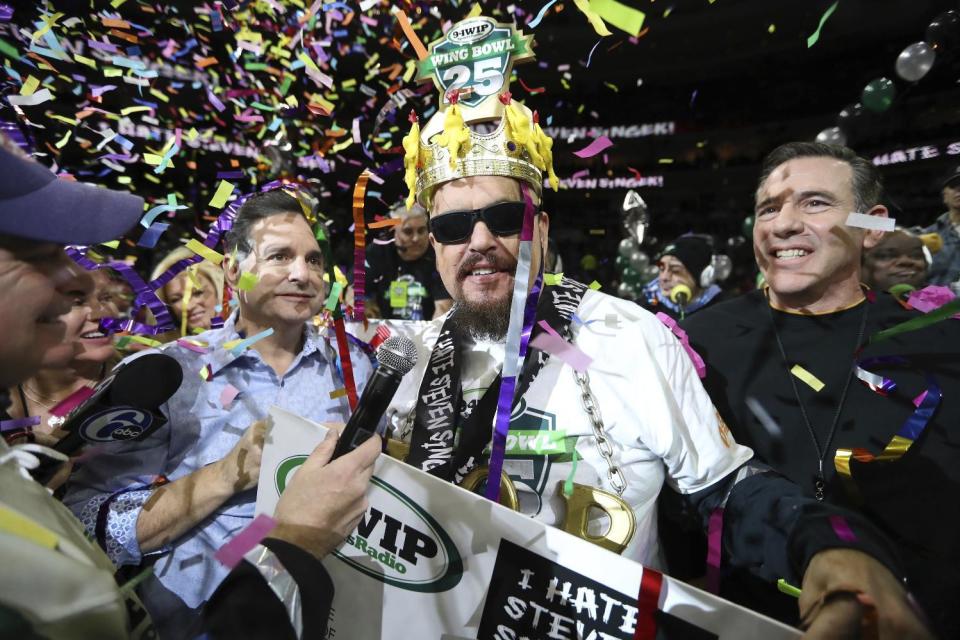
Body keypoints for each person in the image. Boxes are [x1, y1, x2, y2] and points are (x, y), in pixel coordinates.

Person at [385, 19, 930, 638]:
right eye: (455, 228)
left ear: (539, 226)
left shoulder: (627, 336)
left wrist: (830, 547)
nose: (480, 242)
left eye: (505, 217)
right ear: (432, 246)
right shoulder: (404, 362)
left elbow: (725, 489)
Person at [64, 189, 375, 638]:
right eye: (280, 256)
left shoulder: (357, 369)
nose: (302, 274)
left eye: (313, 260)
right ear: (233, 270)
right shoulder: (168, 373)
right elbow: (84, 526)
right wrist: (226, 474)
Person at [684, 141, 959, 637]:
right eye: (768, 208)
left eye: (815, 202)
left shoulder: (940, 342)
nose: (783, 224)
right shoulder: (695, 342)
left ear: (871, 227)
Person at [364, 201, 452, 320]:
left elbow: (443, 308)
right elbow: (352, 291)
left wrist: (431, 335)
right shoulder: (377, 251)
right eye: (408, 231)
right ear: (392, 233)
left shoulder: (438, 255)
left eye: (421, 230)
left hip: (425, 331)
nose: (416, 238)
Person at [642, 234, 725, 319]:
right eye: (662, 269)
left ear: (703, 276)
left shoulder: (723, 309)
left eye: (675, 271)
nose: (664, 278)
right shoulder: (646, 304)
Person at [150, 245, 225, 335]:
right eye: (176, 299)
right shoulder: (172, 348)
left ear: (218, 288)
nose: (189, 306)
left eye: (197, 293)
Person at [921, 165, 960, 285]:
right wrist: (950, 295)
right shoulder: (926, 235)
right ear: (945, 196)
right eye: (954, 186)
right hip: (937, 302)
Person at [861, 228, 928, 294]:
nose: (906, 261)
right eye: (887, 256)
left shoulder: (936, 300)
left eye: (916, 255)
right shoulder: (853, 303)